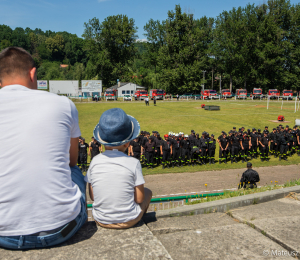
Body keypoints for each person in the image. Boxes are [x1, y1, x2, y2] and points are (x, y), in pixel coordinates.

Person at [0, 47, 87, 249]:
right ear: (32, 74)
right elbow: (72, 161)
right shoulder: (63, 104)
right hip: (61, 229)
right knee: (74, 170)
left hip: (3, 234)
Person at [86, 108, 152, 229]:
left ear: (102, 141)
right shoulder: (134, 162)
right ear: (127, 143)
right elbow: (139, 198)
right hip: (129, 220)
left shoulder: (94, 161)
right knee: (148, 192)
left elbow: (93, 196)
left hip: (100, 220)